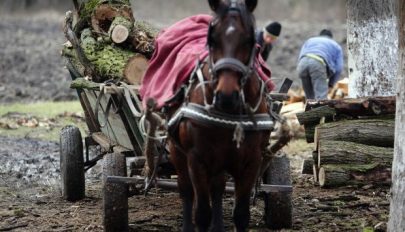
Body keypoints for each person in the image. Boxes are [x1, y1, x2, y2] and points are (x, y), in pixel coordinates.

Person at [297, 29, 343, 100]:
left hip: (302, 63)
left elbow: (301, 55)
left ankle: (309, 110)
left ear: (320, 35)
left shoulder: (310, 40)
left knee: (309, 98)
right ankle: (321, 110)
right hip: (317, 63)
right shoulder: (335, 45)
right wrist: (331, 84)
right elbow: (338, 68)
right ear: (330, 37)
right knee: (321, 98)